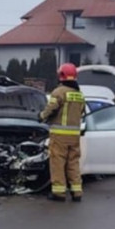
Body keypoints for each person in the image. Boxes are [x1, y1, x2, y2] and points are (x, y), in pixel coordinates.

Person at [41, 63, 86, 202]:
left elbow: (51, 109)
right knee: (73, 163)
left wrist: (41, 117)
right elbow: (82, 111)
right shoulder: (79, 94)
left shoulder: (59, 92)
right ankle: (77, 192)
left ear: (61, 75)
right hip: (74, 136)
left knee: (58, 163)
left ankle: (59, 193)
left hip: (59, 135)